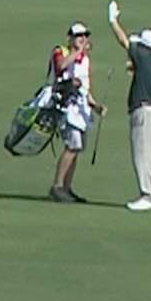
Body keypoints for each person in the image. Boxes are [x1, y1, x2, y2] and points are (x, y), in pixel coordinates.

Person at [107, 0, 151, 212]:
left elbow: (124, 41)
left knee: (142, 154)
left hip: (142, 112)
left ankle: (148, 196)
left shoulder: (143, 55)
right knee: (149, 155)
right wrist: (135, 67)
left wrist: (113, 21)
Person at [47, 21, 106, 203]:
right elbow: (61, 67)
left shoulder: (85, 60)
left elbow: (85, 89)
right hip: (66, 107)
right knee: (72, 146)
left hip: (81, 109)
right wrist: (78, 51)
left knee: (77, 147)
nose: (82, 39)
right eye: (79, 36)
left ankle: (66, 187)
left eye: (85, 36)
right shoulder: (61, 51)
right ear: (70, 38)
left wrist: (95, 106)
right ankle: (57, 186)